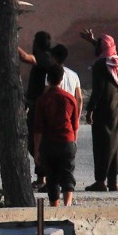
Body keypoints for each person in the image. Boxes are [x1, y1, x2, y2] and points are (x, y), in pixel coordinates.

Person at [80, 29, 118, 192]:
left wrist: (90, 109)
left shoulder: (100, 65)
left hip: (102, 109)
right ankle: (113, 181)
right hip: (115, 108)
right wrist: (94, 41)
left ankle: (100, 180)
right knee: (113, 143)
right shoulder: (116, 61)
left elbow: (98, 90)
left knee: (101, 144)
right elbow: (105, 49)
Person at [33, 64, 79, 207]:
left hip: (49, 143)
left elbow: (38, 129)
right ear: (61, 79)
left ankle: (54, 207)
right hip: (67, 141)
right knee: (67, 173)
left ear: (48, 79)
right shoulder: (70, 99)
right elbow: (75, 125)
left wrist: (36, 150)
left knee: (52, 177)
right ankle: (68, 204)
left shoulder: (42, 100)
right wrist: (73, 143)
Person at [18, 31, 53, 191]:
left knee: (35, 143)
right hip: (35, 105)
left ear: (37, 44)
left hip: (39, 108)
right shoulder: (46, 57)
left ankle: (44, 176)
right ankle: (43, 176)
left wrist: (10, 43)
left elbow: (25, 58)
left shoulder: (44, 58)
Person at [47, 44, 83, 124]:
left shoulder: (50, 74)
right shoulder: (74, 75)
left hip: (54, 116)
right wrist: (76, 119)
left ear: (53, 58)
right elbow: (79, 99)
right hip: (69, 115)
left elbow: (46, 94)